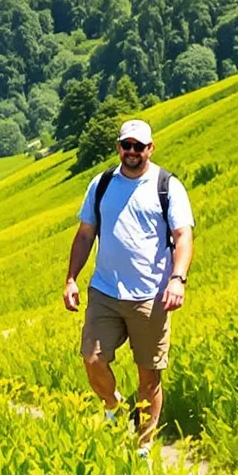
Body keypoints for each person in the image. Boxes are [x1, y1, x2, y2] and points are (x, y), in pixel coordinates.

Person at [61, 119, 194, 446]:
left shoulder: (167, 186)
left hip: (151, 295)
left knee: (149, 376)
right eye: (126, 145)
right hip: (105, 290)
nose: (132, 152)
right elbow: (84, 234)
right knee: (92, 359)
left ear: (151, 148)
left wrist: (177, 279)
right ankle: (113, 406)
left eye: (139, 146)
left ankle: (143, 447)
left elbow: (183, 236)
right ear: (119, 147)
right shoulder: (102, 183)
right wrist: (71, 279)